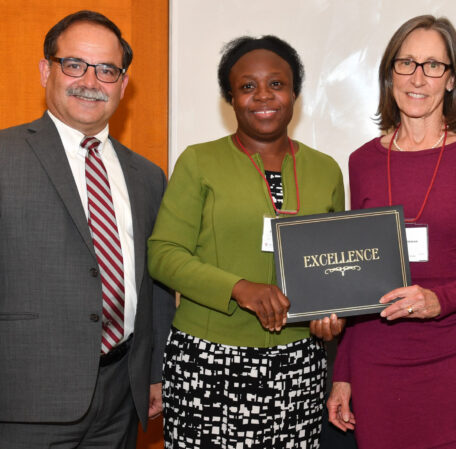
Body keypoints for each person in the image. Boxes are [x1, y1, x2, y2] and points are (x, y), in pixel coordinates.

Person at [0, 10, 174, 448]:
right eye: (74, 64)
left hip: (122, 397)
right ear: (47, 70)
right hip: (25, 400)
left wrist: (155, 371)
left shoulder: (147, 175)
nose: (90, 80)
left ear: (123, 84)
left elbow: (156, 282)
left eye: (107, 70)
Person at [327, 15, 456, 448]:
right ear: (389, 73)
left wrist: (439, 300)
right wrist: (343, 374)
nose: (418, 77)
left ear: (451, 79)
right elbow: (358, 275)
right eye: (406, 63)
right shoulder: (362, 161)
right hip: (379, 358)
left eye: (433, 65)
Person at [147, 35, 345, 448]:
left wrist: (331, 316)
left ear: (295, 93)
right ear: (230, 98)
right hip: (210, 360)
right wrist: (239, 289)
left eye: (276, 84)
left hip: (298, 367)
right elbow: (163, 255)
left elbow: (332, 266)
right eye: (247, 86)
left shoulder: (325, 170)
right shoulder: (199, 162)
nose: (263, 96)